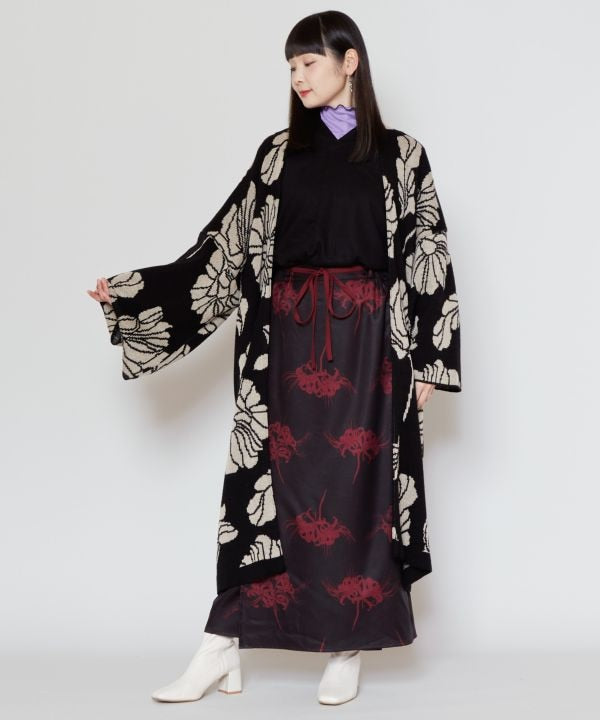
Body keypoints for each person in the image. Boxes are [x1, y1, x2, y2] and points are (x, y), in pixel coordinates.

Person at [88, 10, 460, 706]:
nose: (298, 77)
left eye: (309, 63)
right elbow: (222, 248)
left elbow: (428, 252)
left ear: (350, 61)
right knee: (269, 492)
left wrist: (433, 361)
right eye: (291, 67)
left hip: (370, 348)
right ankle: (221, 644)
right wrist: (137, 294)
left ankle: (345, 646)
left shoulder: (401, 155)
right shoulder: (278, 154)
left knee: (357, 490)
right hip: (283, 345)